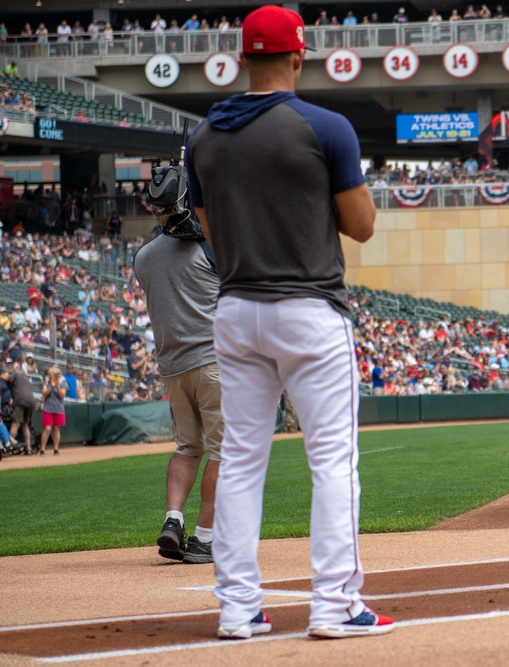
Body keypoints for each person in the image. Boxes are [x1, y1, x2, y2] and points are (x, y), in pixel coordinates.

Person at [186, 5, 392, 641]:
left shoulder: (203, 138)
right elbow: (361, 226)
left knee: (242, 460)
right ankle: (335, 605)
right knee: (333, 459)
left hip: (235, 309)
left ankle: (237, 609)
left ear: (242, 58)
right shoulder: (324, 126)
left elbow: (214, 237)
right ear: (298, 58)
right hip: (307, 310)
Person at [134, 225, 222, 565]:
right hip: (215, 361)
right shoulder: (211, 246)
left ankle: (174, 518)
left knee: (187, 447)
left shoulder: (143, 256)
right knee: (224, 451)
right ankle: (204, 539)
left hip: (172, 367)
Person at [38, 365, 68, 456]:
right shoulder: (46, 383)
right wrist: (51, 387)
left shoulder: (63, 383)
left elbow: (62, 395)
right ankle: (42, 449)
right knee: (47, 429)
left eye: (52, 374)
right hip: (48, 408)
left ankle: (56, 449)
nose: (50, 376)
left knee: (56, 428)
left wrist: (57, 386)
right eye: (50, 374)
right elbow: (44, 393)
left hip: (58, 409)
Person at [9, 364, 34, 453]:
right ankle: (29, 449)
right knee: (25, 426)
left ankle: (9, 448)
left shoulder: (16, 375)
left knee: (15, 424)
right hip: (31, 402)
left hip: (21, 401)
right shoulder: (27, 380)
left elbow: (5, 377)